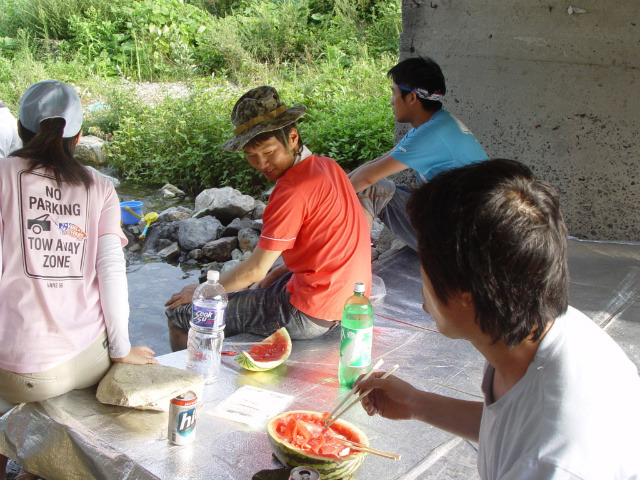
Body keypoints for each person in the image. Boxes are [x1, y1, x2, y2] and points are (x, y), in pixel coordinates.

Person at [357, 159, 640, 479]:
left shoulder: (547, 465)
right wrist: (418, 404)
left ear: (468, 294)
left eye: (425, 260)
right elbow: (509, 428)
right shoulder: (544, 326)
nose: (420, 274)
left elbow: (531, 446)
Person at [0, 81, 157, 480]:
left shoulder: (2, 175)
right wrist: (121, 349)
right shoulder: (100, 187)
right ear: (79, 136)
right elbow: (111, 272)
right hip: (80, 366)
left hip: (9, 369)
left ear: (20, 129)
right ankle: (40, 469)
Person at [165, 86, 371, 350]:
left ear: (293, 137)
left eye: (268, 151)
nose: (261, 164)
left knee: (181, 315)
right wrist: (279, 271)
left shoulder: (291, 190)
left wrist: (200, 291)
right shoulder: (327, 166)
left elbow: (255, 269)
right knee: (258, 282)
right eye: (251, 156)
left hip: (312, 312)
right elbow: (327, 246)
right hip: (350, 300)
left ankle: (188, 384)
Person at [348, 56, 488, 251]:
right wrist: (337, 183)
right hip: (465, 229)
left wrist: (322, 200)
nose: (391, 102)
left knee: (367, 190)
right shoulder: (437, 124)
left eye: (394, 93)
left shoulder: (432, 134)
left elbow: (368, 178)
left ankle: (356, 264)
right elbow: (376, 164)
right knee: (380, 188)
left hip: (460, 244)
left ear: (412, 98)